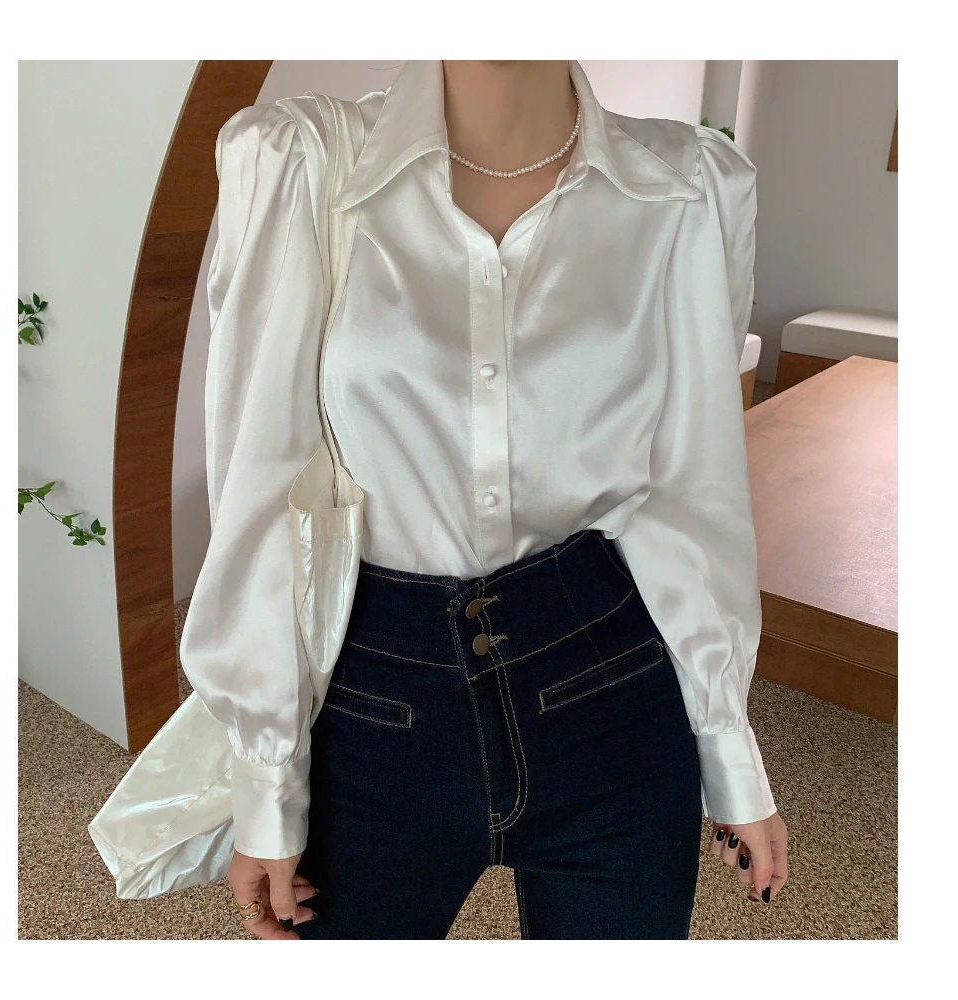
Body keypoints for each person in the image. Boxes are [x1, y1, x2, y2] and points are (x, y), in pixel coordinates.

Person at [179, 58, 789, 940]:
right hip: (375, 699)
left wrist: (727, 744)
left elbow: (689, 489)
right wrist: (267, 783)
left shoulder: (687, 188)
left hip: (610, 687)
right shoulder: (305, 164)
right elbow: (262, 483)